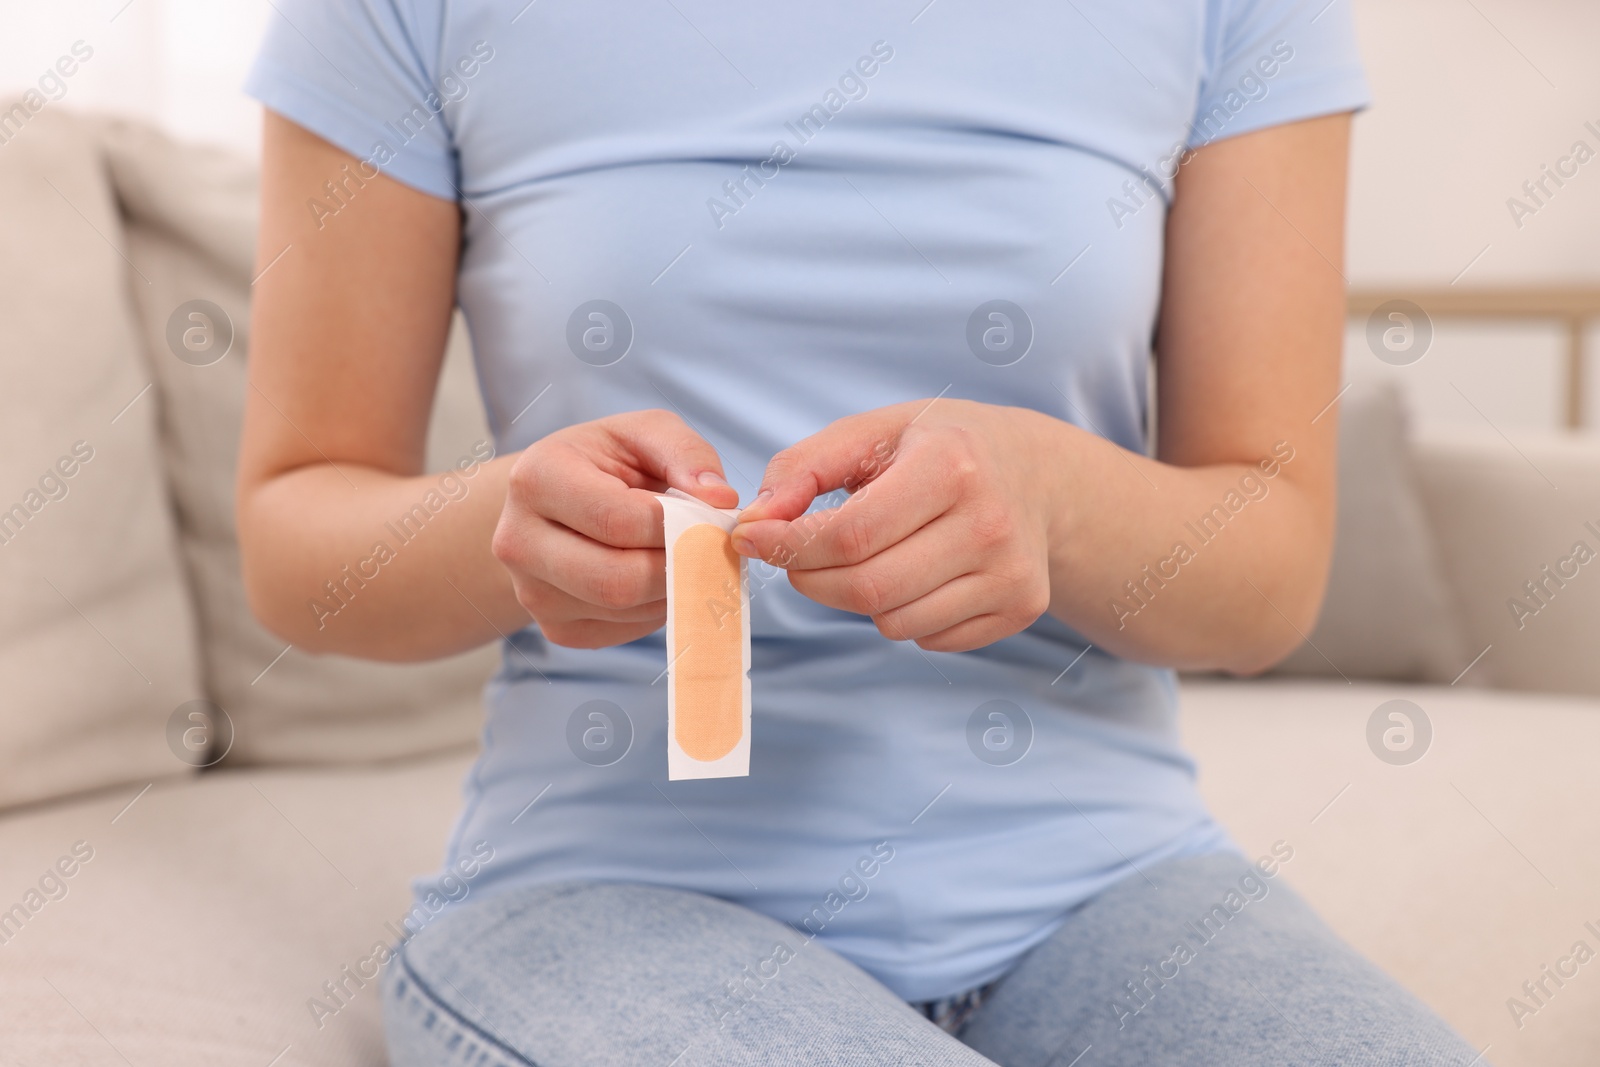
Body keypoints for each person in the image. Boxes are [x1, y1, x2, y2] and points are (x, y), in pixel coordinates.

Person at [238, 2, 1482, 1063]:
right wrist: (506, 527)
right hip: (602, 890)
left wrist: (1060, 499)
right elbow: (296, 536)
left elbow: (1270, 575)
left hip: (1106, 887)